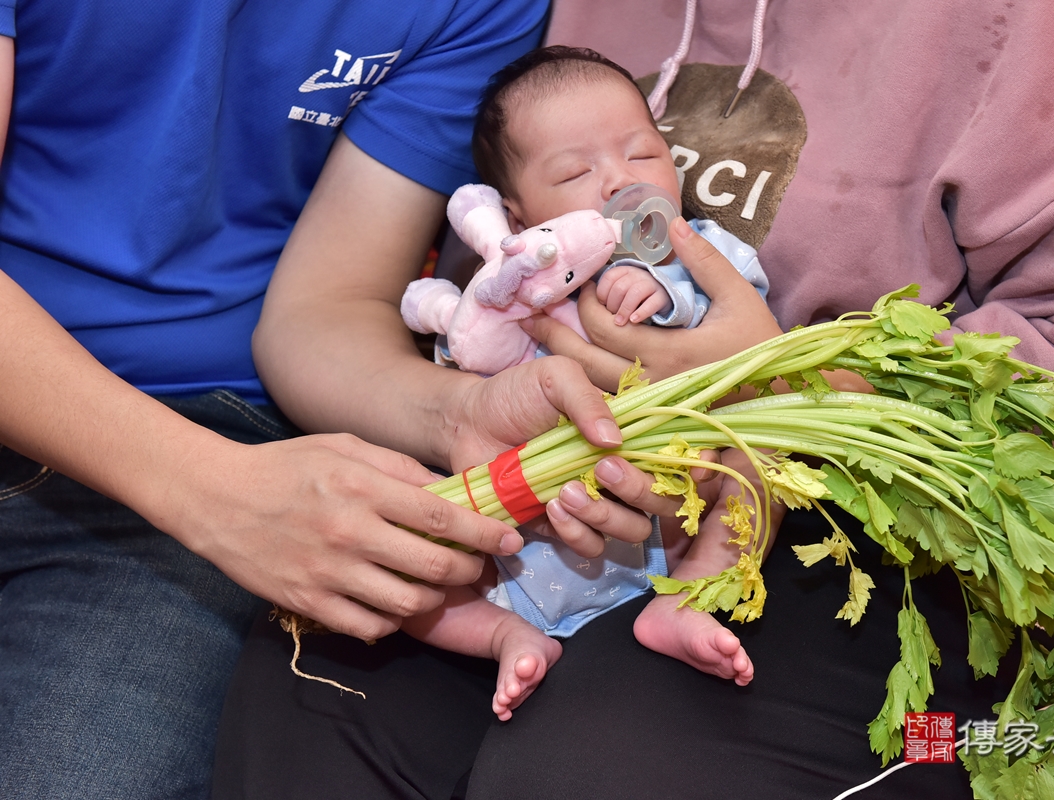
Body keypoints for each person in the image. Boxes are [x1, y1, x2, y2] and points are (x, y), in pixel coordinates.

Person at [215, 1, 1054, 798]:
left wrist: (773, 378)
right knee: (317, 687)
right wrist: (473, 407)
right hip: (584, 507)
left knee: (594, 767)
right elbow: (353, 294)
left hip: (893, 533)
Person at [0, 2, 684, 799]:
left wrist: (459, 412)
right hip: (186, 471)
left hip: (214, 436)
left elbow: (327, 305)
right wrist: (211, 492)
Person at [396, 46, 776, 721]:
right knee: (409, 562)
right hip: (528, 540)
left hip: (675, 511)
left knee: (765, 463)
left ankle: (685, 601)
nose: (616, 182)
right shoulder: (519, 280)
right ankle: (504, 637)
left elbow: (736, 309)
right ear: (516, 217)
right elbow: (474, 361)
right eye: (576, 170)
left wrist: (661, 285)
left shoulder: (700, 247)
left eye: (643, 155)